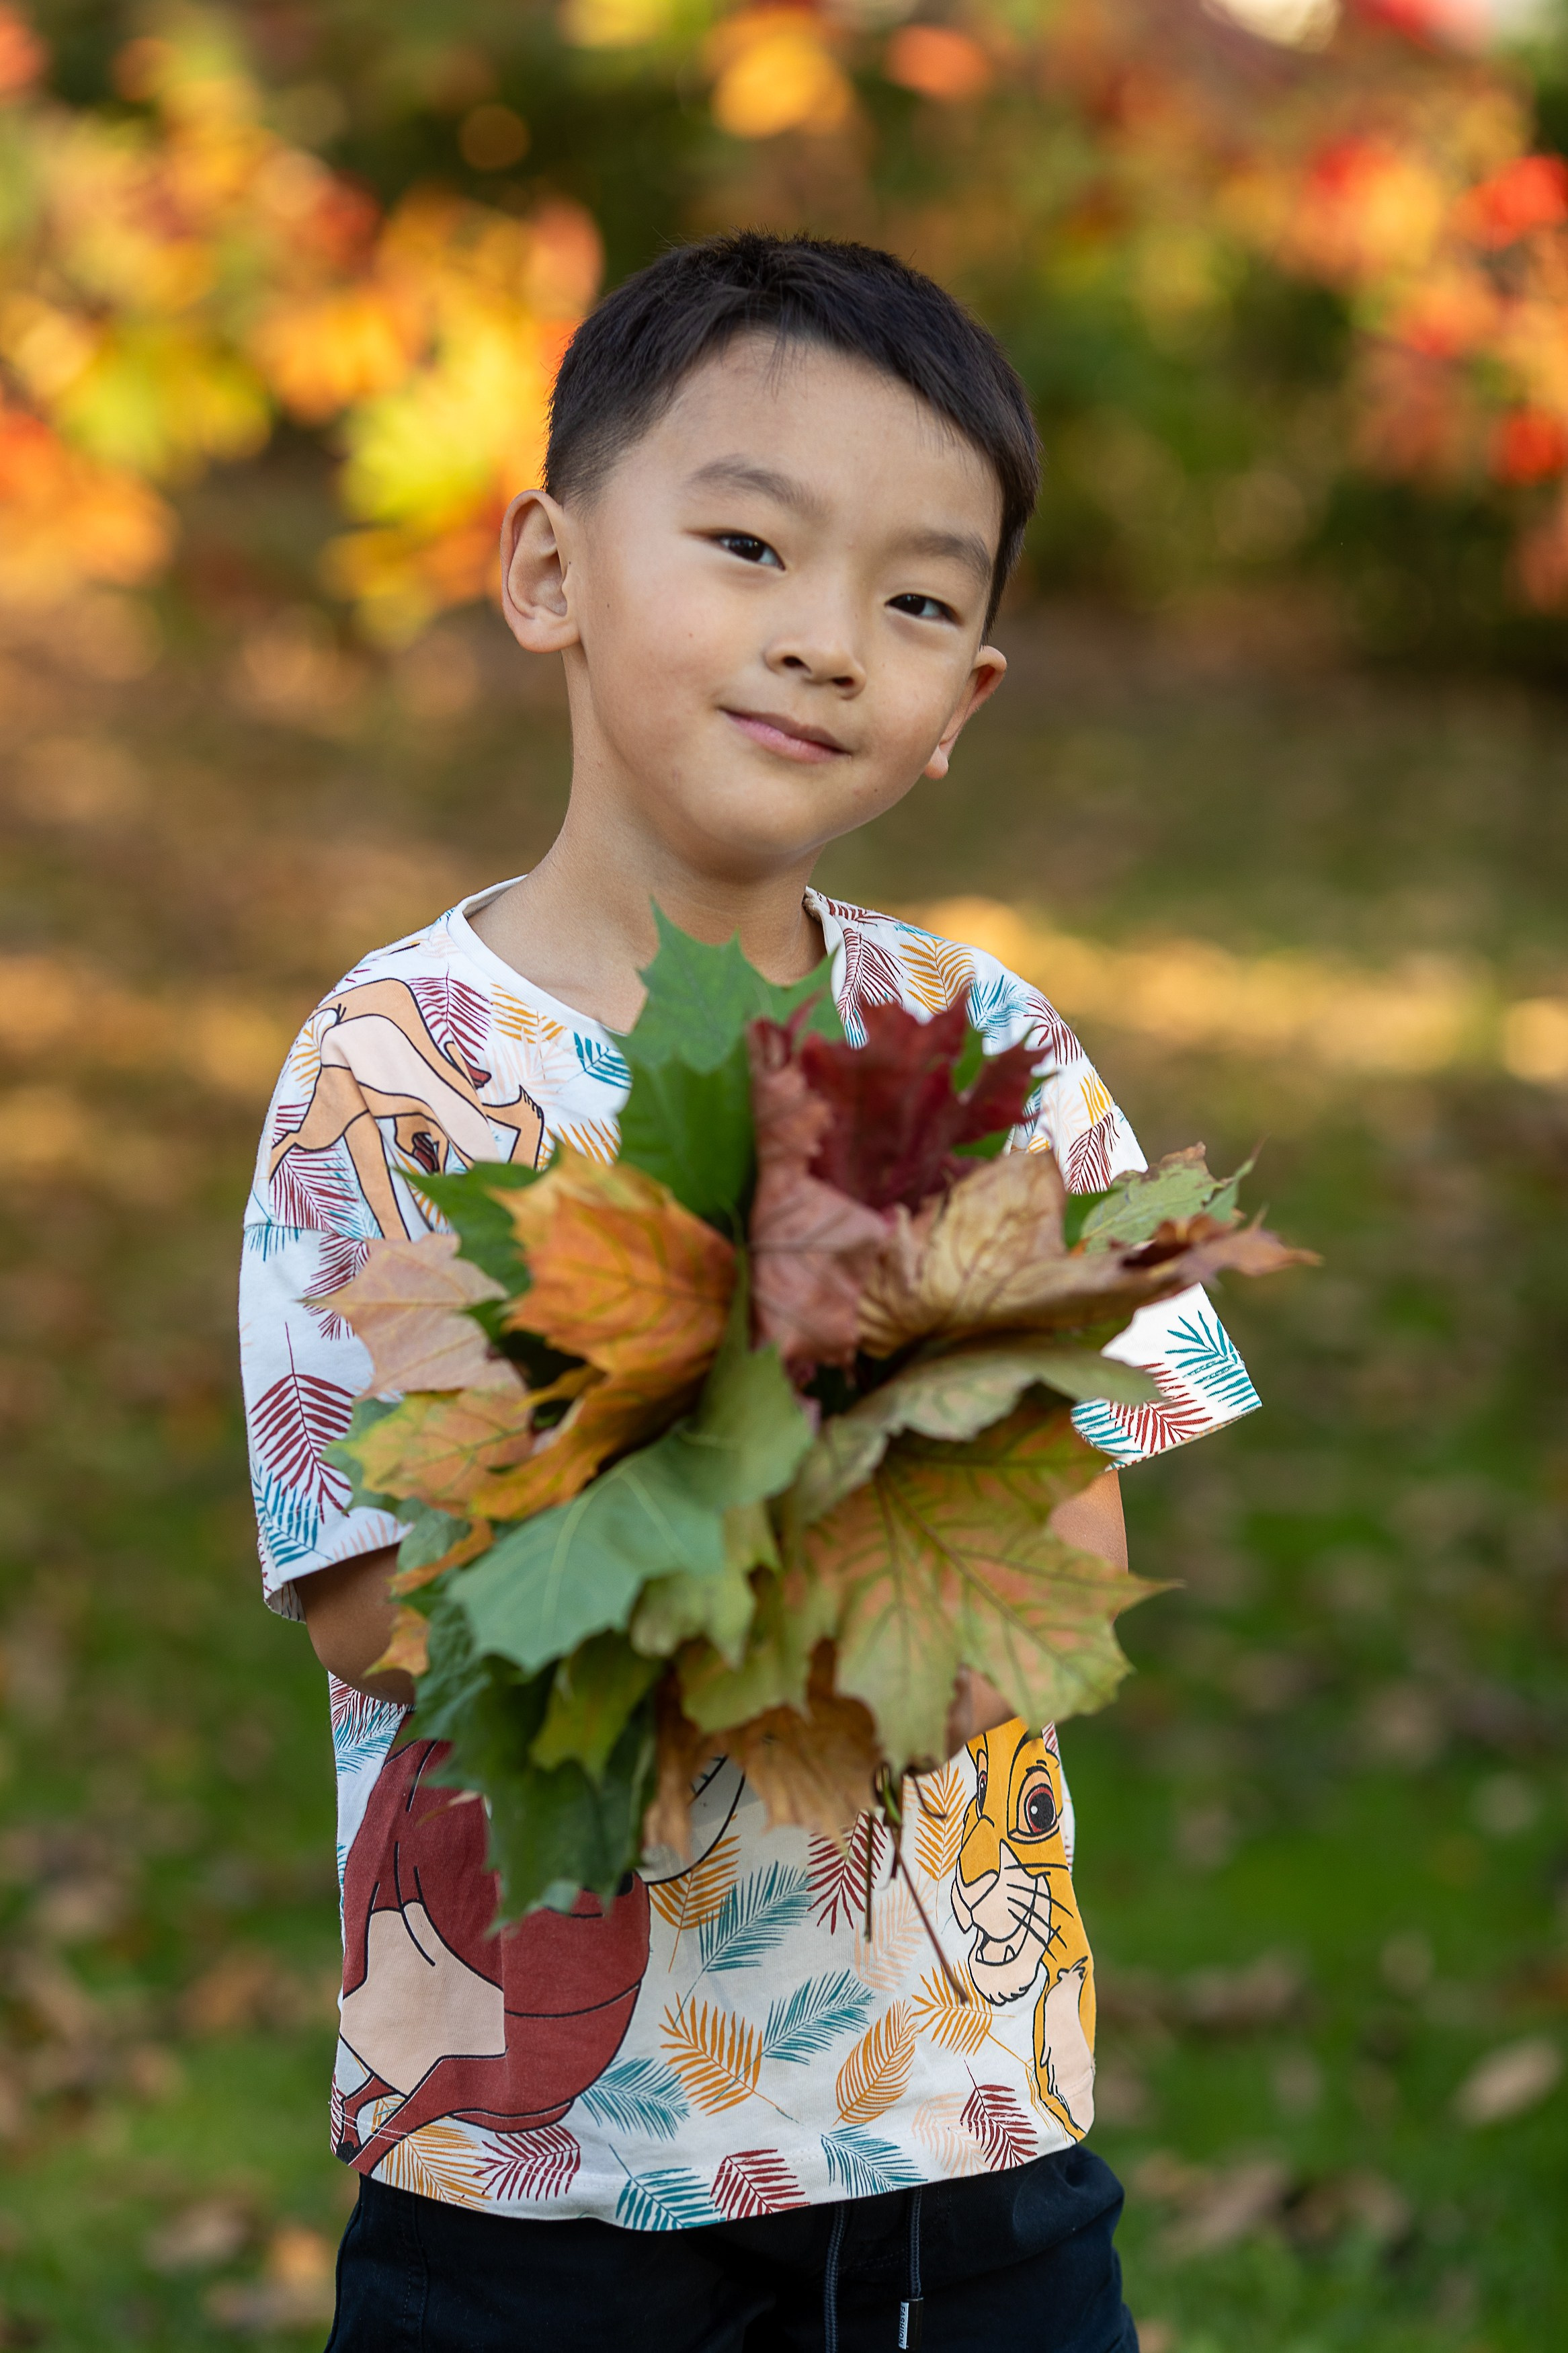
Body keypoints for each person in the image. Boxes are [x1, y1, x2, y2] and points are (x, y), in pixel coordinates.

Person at [239, 231, 1260, 2353]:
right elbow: (381, 1601)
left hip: (957, 2140)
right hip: (537, 2177)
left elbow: (1055, 1578)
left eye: (913, 598)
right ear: (548, 571)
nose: (823, 640)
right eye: (747, 543)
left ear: (965, 698)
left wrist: (829, 1553)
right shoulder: (399, 1066)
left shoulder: (979, 1053)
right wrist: (769, 1504)